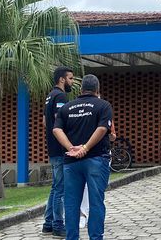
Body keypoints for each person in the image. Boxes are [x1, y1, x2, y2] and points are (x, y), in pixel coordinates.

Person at [53, 74, 113, 240]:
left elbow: (56, 129)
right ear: (97, 89)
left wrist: (71, 148)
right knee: (95, 202)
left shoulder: (67, 108)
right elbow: (102, 129)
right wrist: (85, 148)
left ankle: (72, 237)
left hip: (71, 162)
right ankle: (95, 237)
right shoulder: (103, 105)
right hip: (96, 159)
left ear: (81, 89)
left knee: (71, 203)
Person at [42, 66, 74, 237]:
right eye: (70, 78)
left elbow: (44, 121)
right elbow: (59, 119)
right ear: (61, 79)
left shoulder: (49, 96)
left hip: (52, 147)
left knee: (55, 187)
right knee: (61, 188)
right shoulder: (60, 96)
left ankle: (47, 224)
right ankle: (57, 225)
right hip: (60, 147)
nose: (72, 81)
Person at [79, 94, 116, 229]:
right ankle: (83, 214)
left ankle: (94, 220)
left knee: (98, 189)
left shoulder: (106, 112)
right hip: (86, 154)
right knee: (84, 187)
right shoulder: (80, 112)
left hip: (102, 154)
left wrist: (110, 135)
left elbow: (112, 136)